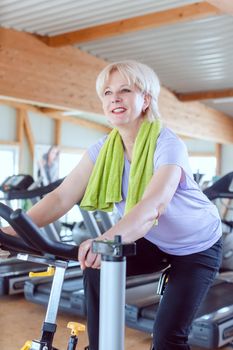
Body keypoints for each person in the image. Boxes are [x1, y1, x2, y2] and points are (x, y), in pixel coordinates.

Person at [1, 60, 222, 350]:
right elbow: (60, 197)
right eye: (106, 92)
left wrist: (104, 241)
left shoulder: (167, 144)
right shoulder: (102, 150)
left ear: (146, 100)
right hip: (153, 239)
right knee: (98, 266)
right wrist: (11, 233)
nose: (114, 97)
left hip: (198, 246)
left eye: (125, 90)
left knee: (167, 337)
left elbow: (153, 205)